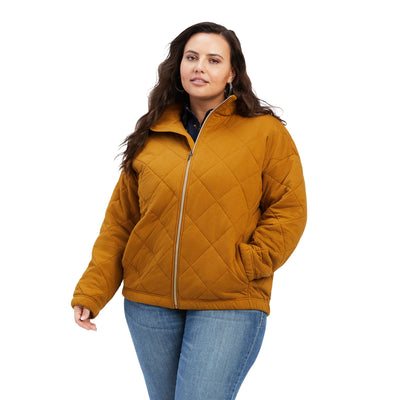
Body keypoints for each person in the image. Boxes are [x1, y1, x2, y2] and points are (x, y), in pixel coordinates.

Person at [72, 21, 307, 400]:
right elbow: (121, 221)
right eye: (191, 57)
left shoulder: (264, 132)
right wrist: (93, 290)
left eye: (214, 60)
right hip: (149, 304)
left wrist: (247, 264)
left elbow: (288, 209)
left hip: (228, 301)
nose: (200, 67)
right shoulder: (151, 133)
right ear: (178, 66)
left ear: (232, 73)